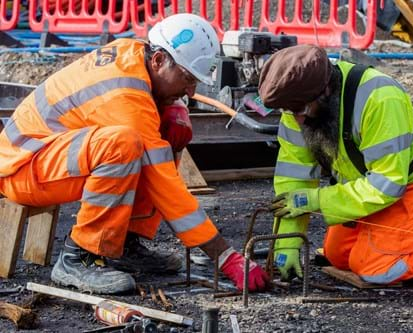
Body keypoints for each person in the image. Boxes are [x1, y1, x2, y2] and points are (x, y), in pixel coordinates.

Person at [0, 13, 269, 294]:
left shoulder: (137, 54)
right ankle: (79, 255)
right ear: (159, 61)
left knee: (169, 123)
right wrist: (225, 256)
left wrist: (169, 107)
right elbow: (164, 183)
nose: (190, 91)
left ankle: (127, 241)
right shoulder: (126, 95)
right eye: (188, 78)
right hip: (22, 168)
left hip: (46, 156)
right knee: (122, 143)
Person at [258, 44, 413, 283]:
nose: (298, 119)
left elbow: (388, 183)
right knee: (338, 256)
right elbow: (294, 180)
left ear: (326, 91)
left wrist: (318, 199)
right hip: (367, 184)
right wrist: (286, 246)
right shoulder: (297, 106)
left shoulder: (380, 98)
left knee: (378, 267)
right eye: (289, 111)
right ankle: (400, 232)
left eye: (300, 110)